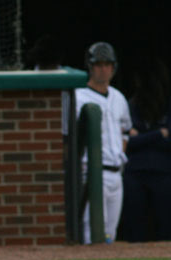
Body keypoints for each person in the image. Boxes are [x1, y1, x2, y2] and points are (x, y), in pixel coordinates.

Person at [74, 42, 131, 244]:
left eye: (107, 64)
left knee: (110, 234)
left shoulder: (119, 98)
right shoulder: (79, 97)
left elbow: (126, 132)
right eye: (98, 64)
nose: (103, 68)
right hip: (91, 173)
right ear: (90, 66)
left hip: (117, 173)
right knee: (92, 234)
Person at [122, 58, 171, 242]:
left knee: (165, 228)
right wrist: (158, 134)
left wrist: (141, 136)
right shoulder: (131, 104)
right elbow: (126, 142)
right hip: (135, 173)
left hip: (163, 173)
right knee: (134, 229)